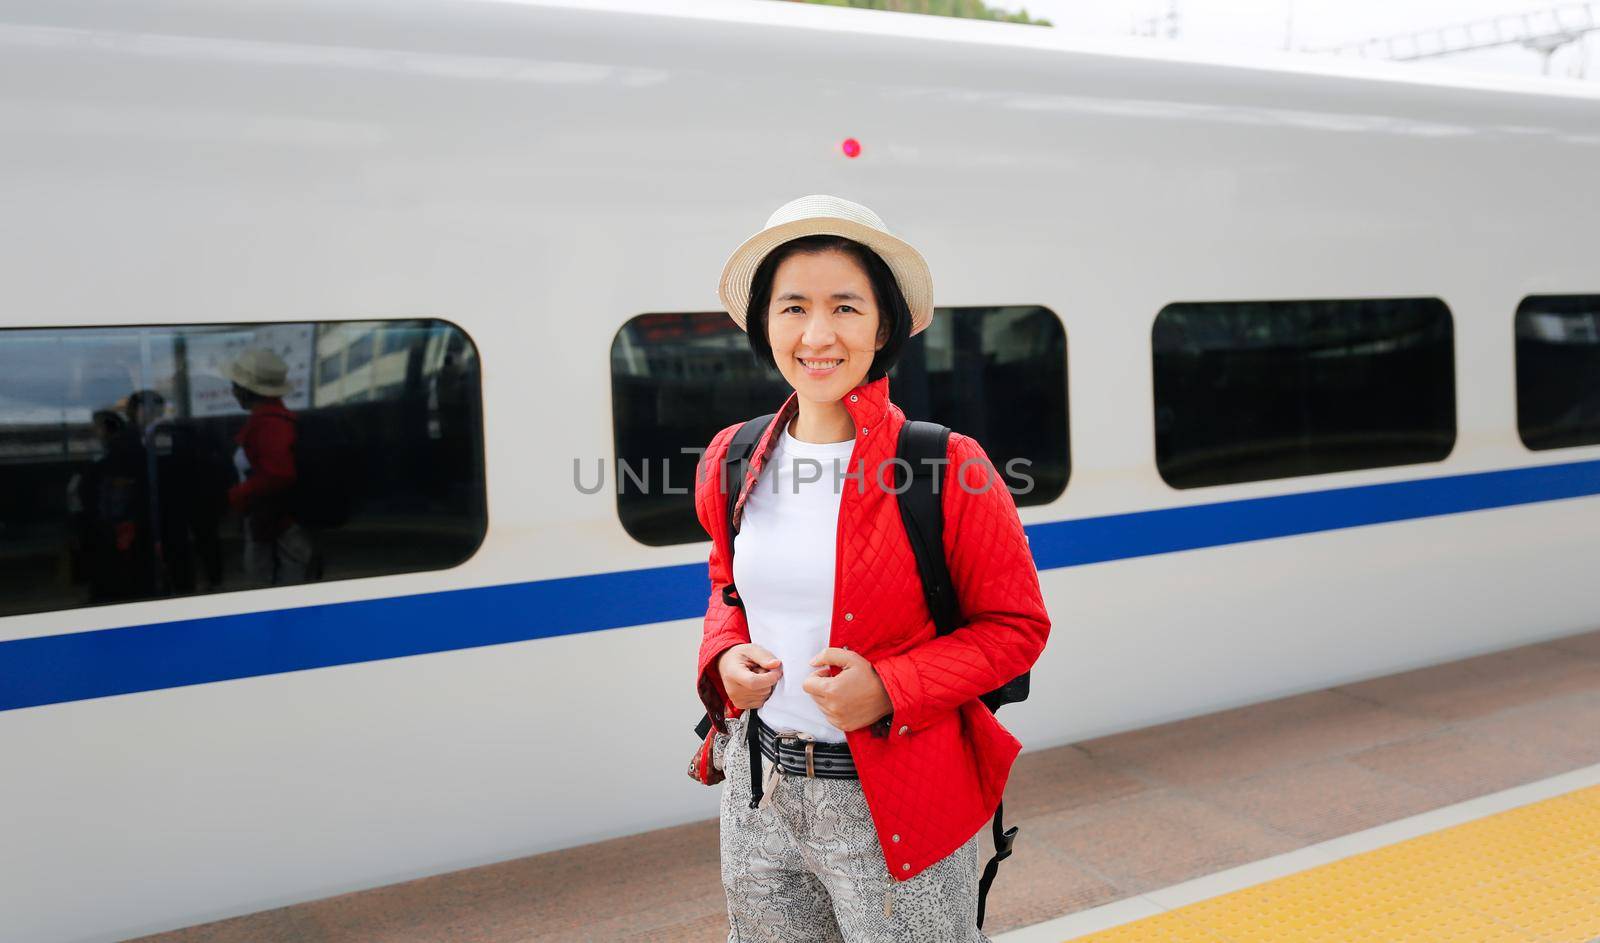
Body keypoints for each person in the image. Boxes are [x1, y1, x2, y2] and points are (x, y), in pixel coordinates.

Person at [694, 195, 1051, 942]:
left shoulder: (948, 465)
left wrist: (888, 688)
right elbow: (728, 586)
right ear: (765, 321)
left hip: (896, 796)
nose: (817, 334)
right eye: (793, 307)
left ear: (883, 324)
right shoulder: (733, 456)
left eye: (845, 307)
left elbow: (1016, 628)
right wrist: (723, 655)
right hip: (759, 791)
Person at [225, 348, 321, 586]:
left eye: (235, 385)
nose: (233, 391)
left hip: (276, 524)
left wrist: (237, 496)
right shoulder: (274, 419)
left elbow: (278, 475)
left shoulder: (269, 424)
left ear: (248, 390)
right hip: (274, 521)